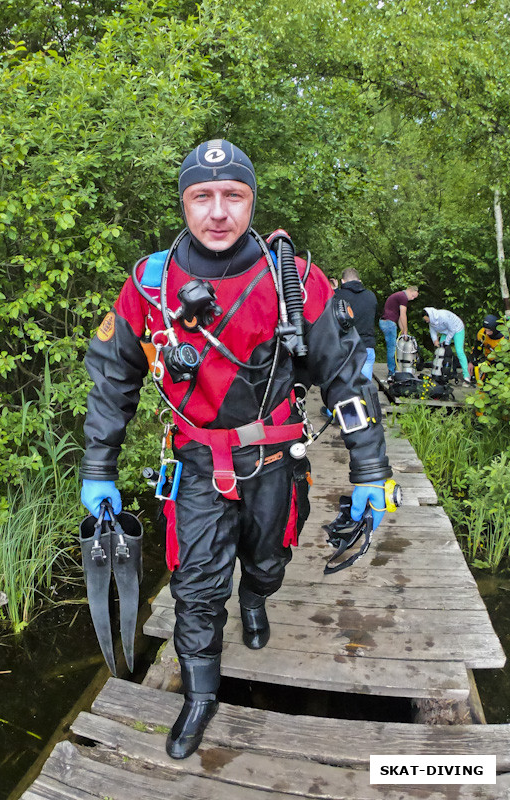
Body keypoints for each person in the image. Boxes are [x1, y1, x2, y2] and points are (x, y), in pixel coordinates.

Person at [79, 140, 392, 760]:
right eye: (203, 197)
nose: (218, 212)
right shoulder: (150, 284)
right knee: (195, 586)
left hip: (275, 461)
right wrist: (98, 467)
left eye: (233, 197)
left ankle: (256, 598)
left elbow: (347, 377)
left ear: (251, 201)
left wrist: (372, 470)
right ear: (184, 203)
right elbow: (113, 379)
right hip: (195, 463)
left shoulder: (294, 280)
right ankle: (200, 693)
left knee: (269, 561)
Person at [335, 268, 378, 380]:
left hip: (344, 347)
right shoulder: (371, 296)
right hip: (366, 346)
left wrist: (334, 290)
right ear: (359, 281)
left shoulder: (336, 296)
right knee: (365, 388)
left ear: (342, 281)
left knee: (344, 389)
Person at [422, 307, 471, 384]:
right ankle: (441, 372)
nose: (426, 321)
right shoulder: (431, 321)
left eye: (426, 319)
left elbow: (452, 330)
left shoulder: (443, 316)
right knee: (440, 351)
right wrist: (435, 341)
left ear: (430, 316)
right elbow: (433, 332)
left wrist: (447, 342)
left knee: (459, 351)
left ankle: (466, 376)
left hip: (457, 329)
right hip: (446, 331)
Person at [379, 286, 419, 380]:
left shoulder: (398, 295)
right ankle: (392, 372)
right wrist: (405, 331)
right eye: (413, 296)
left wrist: (403, 331)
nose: (412, 299)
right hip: (389, 323)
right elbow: (403, 315)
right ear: (410, 290)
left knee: (392, 347)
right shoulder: (403, 297)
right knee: (392, 348)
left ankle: (393, 370)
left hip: (386, 322)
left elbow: (399, 318)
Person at [468, 314, 504, 381]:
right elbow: (476, 349)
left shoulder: (505, 337)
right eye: (486, 330)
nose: (487, 333)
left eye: (489, 331)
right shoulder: (482, 333)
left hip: (502, 363)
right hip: (488, 362)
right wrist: (471, 362)